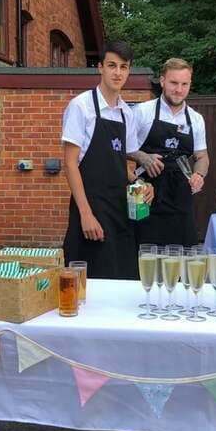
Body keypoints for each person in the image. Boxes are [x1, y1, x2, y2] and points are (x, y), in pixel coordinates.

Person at [62, 40, 153, 279]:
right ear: (100, 67)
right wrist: (86, 214)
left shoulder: (127, 114)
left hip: (121, 214)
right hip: (91, 212)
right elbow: (70, 165)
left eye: (123, 67)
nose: (118, 72)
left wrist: (140, 184)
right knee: (88, 287)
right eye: (112, 65)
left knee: (123, 282)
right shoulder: (80, 107)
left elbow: (119, 166)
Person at [130, 58, 209, 247]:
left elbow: (202, 156)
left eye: (184, 84)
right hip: (144, 193)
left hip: (180, 197)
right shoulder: (142, 112)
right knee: (143, 255)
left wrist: (199, 174)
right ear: (163, 81)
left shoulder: (196, 119)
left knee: (181, 257)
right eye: (174, 83)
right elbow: (121, 151)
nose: (179, 89)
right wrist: (142, 156)